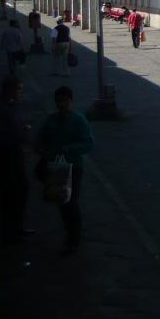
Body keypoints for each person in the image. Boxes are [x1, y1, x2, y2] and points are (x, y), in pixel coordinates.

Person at [35, 86, 94, 253]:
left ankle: (74, 238)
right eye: (59, 102)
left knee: (71, 202)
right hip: (56, 167)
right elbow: (41, 139)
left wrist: (68, 148)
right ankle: (71, 234)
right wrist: (42, 149)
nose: (62, 105)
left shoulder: (79, 120)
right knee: (62, 201)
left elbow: (88, 144)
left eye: (65, 102)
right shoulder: (51, 120)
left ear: (71, 102)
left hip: (73, 167)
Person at [0, 76, 31, 244]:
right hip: (6, 159)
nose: (22, 93)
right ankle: (8, 232)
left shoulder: (14, 105)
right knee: (9, 196)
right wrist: (21, 135)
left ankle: (17, 227)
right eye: (19, 89)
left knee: (22, 192)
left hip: (17, 156)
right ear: (9, 90)